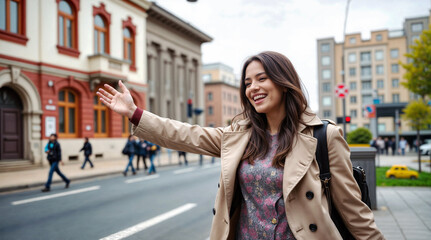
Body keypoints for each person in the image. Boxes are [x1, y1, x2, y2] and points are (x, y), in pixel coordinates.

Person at [97, 51, 384, 239]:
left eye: (262, 78)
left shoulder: (323, 136)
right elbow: (185, 134)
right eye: (247, 83)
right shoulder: (239, 135)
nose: (253, 88)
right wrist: (135, 113)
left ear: (284, 83)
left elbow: (353, 210)